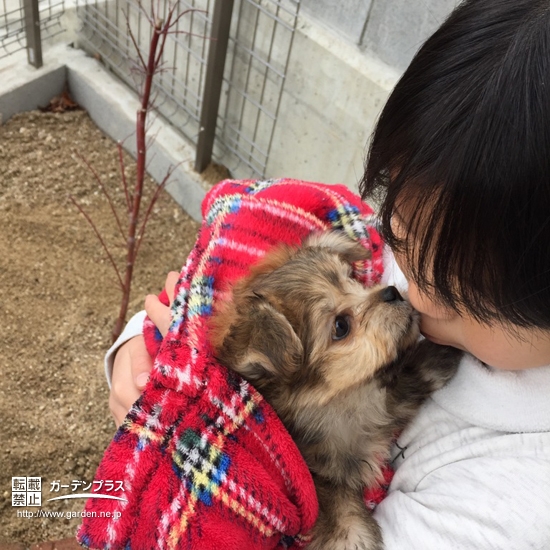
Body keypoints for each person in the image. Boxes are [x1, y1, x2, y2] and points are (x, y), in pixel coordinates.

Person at [106, 0, 550, 548]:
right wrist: (137, 352)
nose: (413, 292)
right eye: (405, 238)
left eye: (469, 296)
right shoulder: (378, 252)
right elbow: (199, 314)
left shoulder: (515, 501)